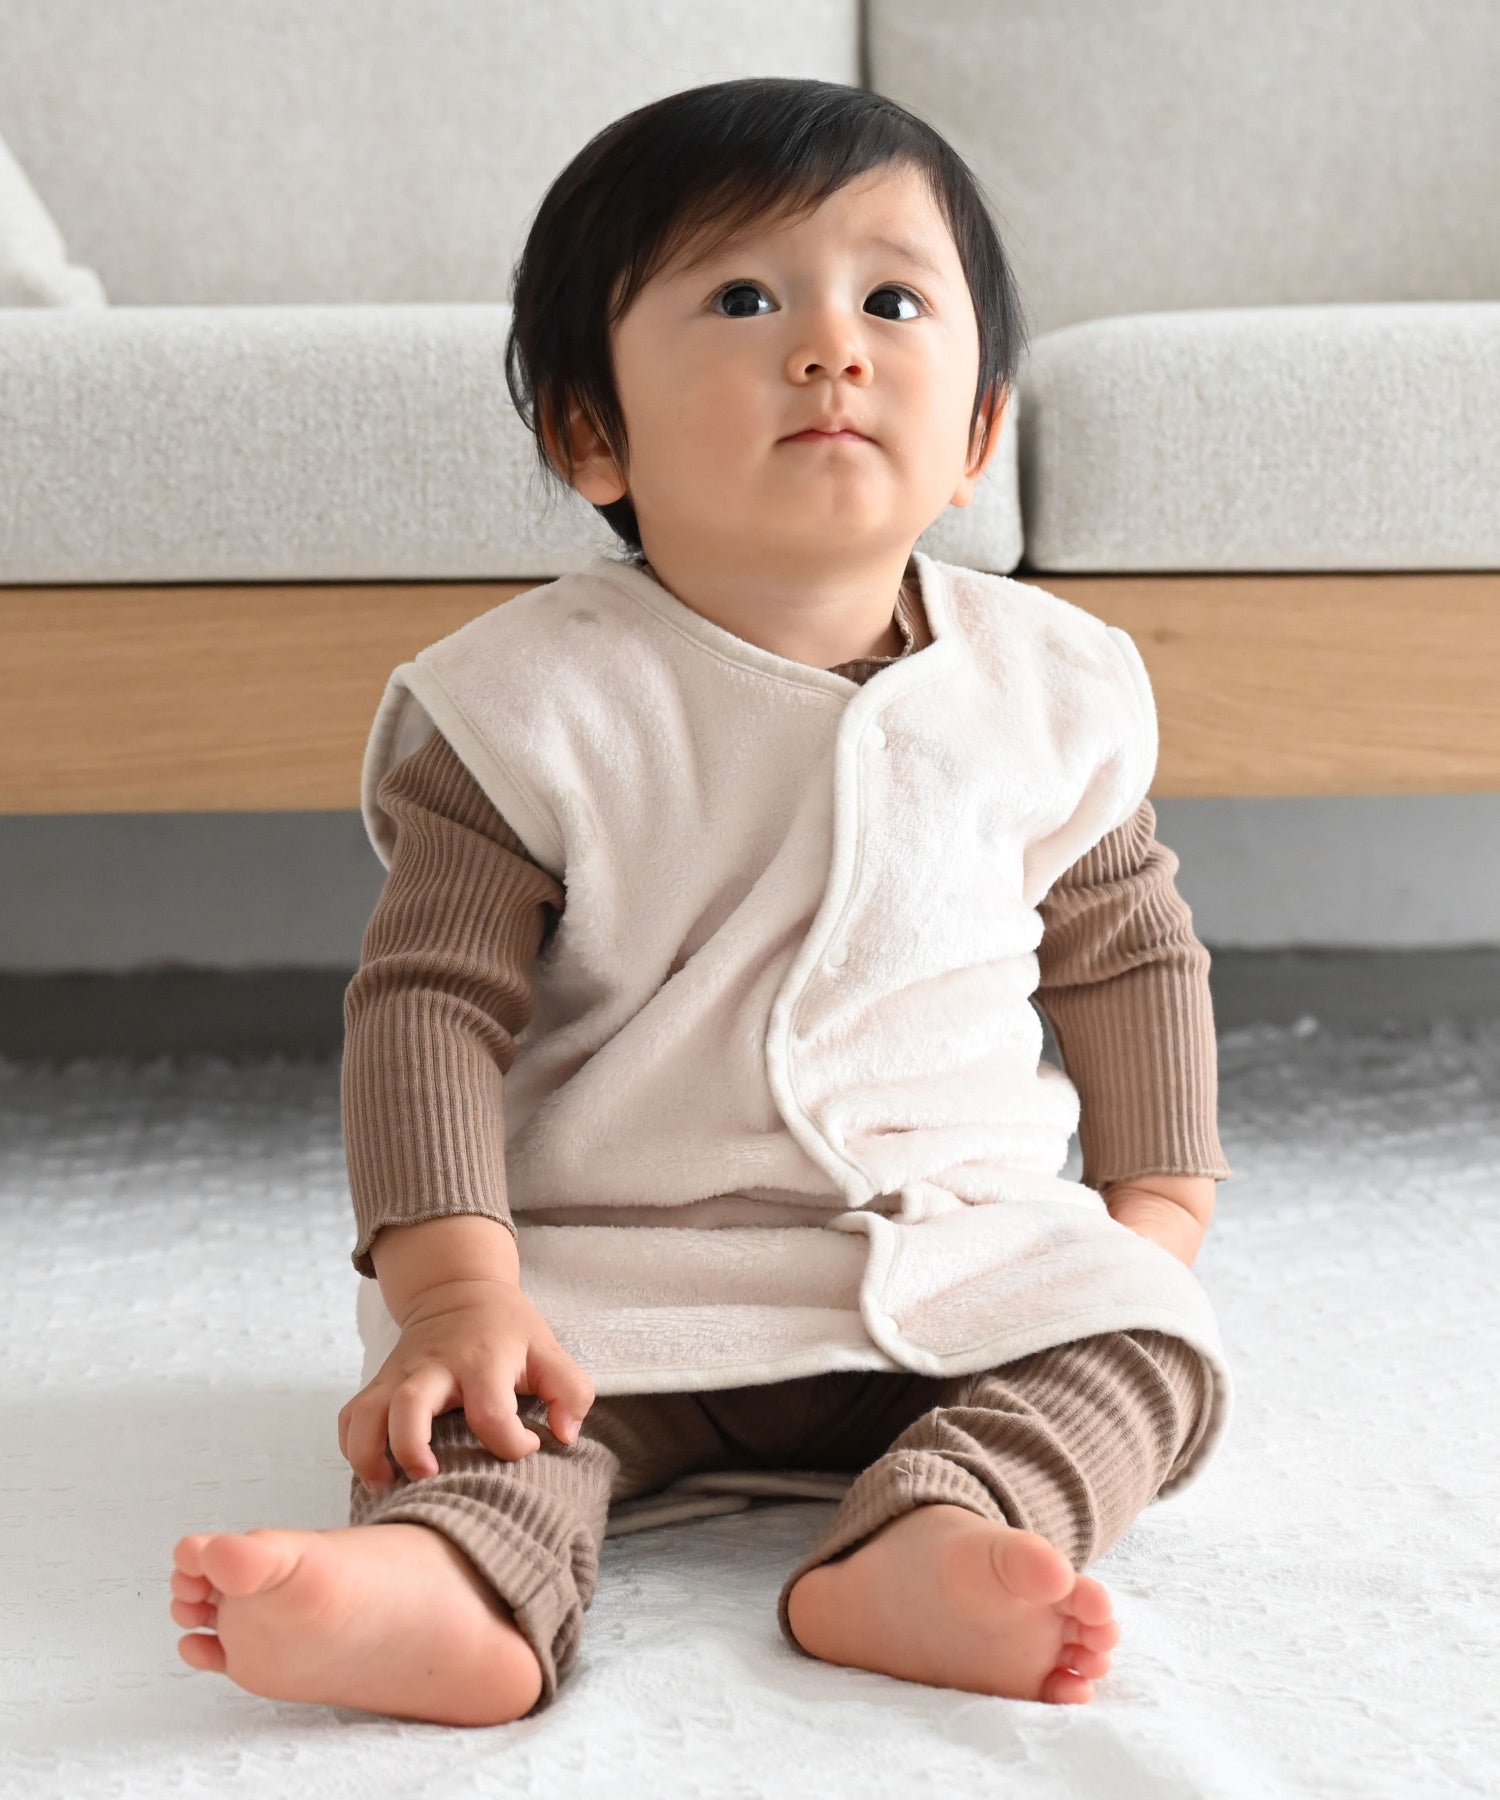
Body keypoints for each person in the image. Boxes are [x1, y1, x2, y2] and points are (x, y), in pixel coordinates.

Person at [169, 76, 1233, 1726]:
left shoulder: (1052, 688)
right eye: (744, 298)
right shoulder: (526, 705)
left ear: (978, 434)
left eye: (893, 302)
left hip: (961, 1259)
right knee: (488, 1410)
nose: (830, 347)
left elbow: (1130, 957)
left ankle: (945, 1536)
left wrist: (1151, 1222)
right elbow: (428, 1008)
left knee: (1147, 1356)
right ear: (587, 432)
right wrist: (457, 1292)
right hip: (614, 1276)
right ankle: (450, 1582)